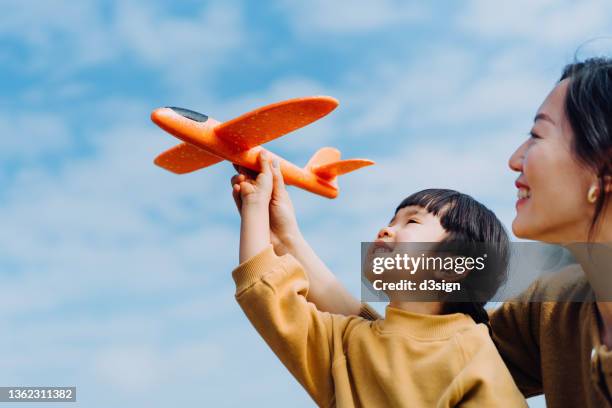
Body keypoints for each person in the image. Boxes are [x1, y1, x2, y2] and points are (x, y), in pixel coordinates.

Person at [248, 57, 612, 407]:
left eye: (537, 135)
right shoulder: (553, 309)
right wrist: (287, 239)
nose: (515, 158)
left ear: (603, 164)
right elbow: (412, 349)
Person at [230, 151, 527, 407]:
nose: (385, 230)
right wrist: (257, 210)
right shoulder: (346, 341)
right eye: (390, 221)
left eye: (411, 221)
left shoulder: (471, 350)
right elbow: (267, 296)